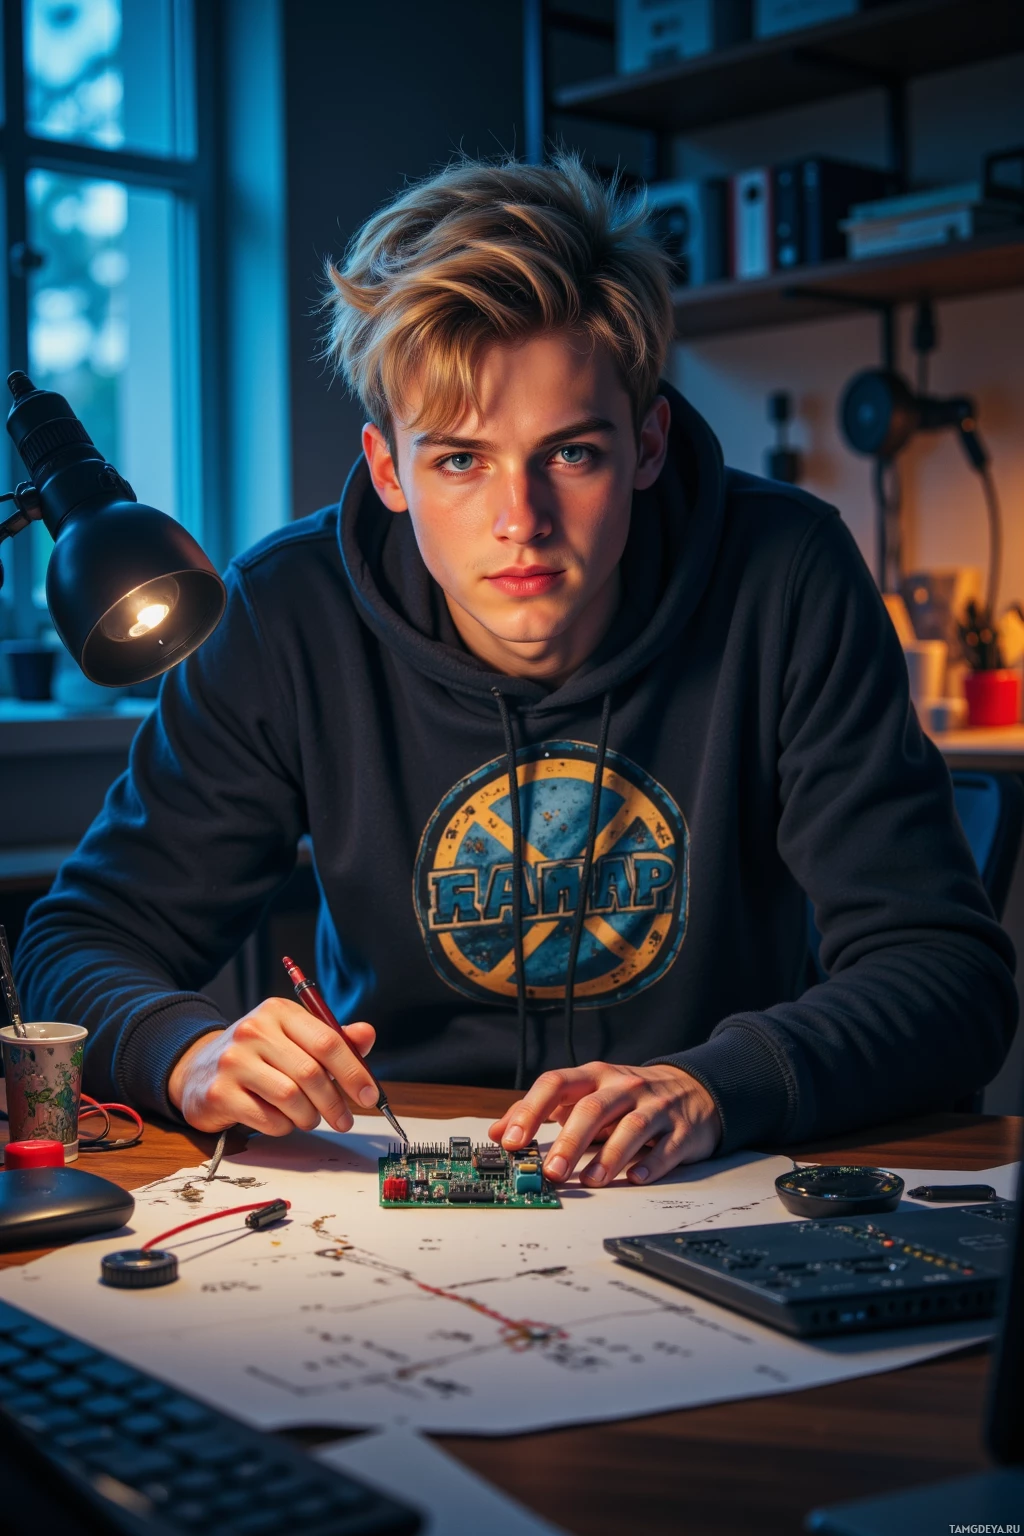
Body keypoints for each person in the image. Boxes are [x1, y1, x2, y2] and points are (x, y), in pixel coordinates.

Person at [16, 156, 1016, 1189]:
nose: (520, 520)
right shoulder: (283, 614)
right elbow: (75, 943)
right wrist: (189, 1051)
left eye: (571, 454)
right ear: (387, 468)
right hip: (385, 1193)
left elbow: (948, 978)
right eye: (459, 460)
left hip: (705, 1177)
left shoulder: (788, 572)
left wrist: (718, 1085)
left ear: (646, 442)